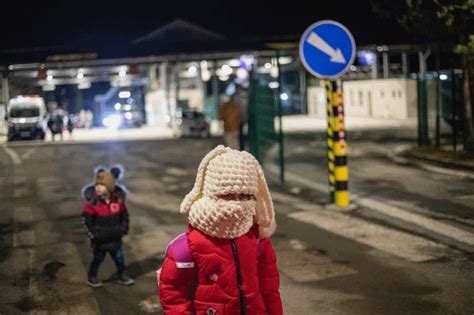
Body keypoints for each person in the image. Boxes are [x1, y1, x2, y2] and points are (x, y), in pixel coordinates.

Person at [159, 145, 283, 314]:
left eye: (245, 195)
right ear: (212, 193)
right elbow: (174, 296)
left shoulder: (258, 240)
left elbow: (270, 290)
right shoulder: (186, 247)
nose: (237, 203)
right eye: (228, 194)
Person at [81, 166, 135, 287]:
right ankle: (92, 276)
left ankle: (122, 275)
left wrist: (123, 228)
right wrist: (94, 235)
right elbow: (87, 221)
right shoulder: (92, 204)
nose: (98, 187)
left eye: (102, 185)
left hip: (115, 238)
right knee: (97, 259)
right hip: (100, 240)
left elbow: (124, 216)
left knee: (119, 259)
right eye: (96, 185)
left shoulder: (118, 201)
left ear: (110, 187)